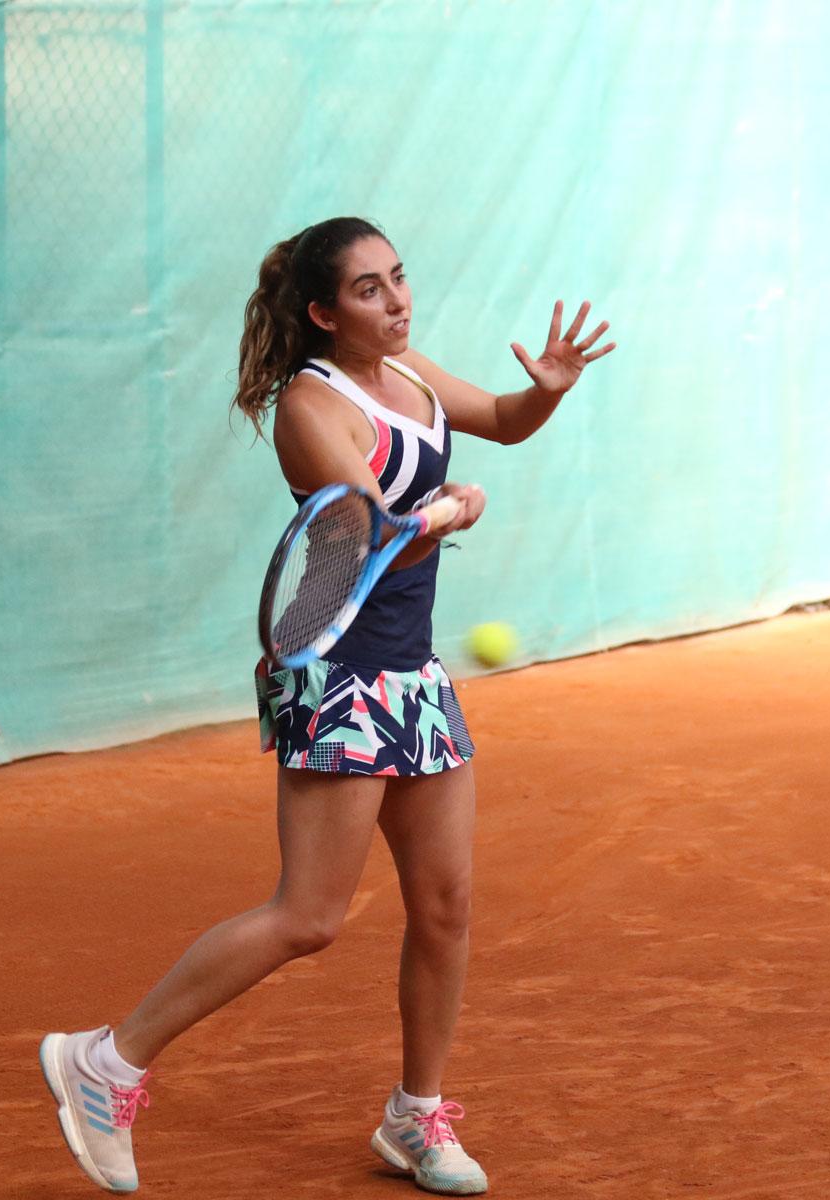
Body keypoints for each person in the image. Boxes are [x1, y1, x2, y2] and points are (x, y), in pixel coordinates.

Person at [38, 217, 614, 1195]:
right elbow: (380, 539)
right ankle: (108, 1059)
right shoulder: (313, 406)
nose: (396, 303)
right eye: (369, 291)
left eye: (399, 281)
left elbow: (506, 420)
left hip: (412, 673)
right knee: (308, 917)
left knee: (446, 905)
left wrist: (544, 395)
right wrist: (452, 510)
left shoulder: (414, 373)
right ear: (321, 313)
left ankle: (415, 1118)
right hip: (337, 673)